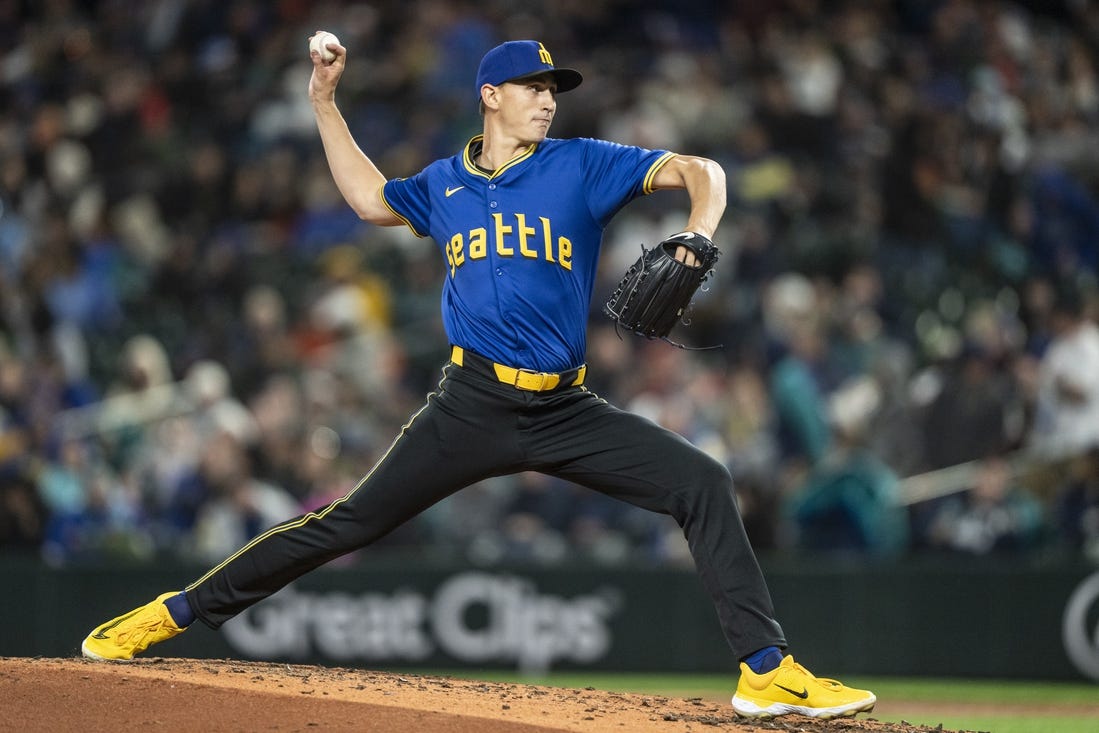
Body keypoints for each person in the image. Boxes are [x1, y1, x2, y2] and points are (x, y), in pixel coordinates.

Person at [80, 36, 875, 720]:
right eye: (533, 88)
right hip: (469, 403)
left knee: (701, 479)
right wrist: (324, 101)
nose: (548, 101)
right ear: (489, 95)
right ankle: (174, 610)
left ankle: (766, 673)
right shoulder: (443, 184)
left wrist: (697, 235)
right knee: (346, 522)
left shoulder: (583, 166)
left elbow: (704, 170)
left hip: (565, 407)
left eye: (553, 89)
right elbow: (365, 199)